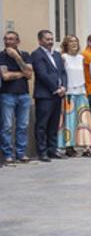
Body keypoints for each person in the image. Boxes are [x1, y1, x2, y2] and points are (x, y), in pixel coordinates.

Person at [32, 30, 67, 162]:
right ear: (40, 40)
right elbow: (42, 74)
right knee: (42, 124)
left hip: (58, 95)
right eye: (47, 39)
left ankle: (52, 149)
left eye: (52, 39)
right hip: (45, 95)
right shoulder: (36, 55)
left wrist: (64, 86)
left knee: (54, 124)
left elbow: (63, 72)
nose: (50, 42)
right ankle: (42, 152)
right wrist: (56, 88)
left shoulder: (57, 55)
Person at [58, 35, 91, 157]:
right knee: (70, 121)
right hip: (69, 93)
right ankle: (69, 146)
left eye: (75, 41)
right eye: (71, 41)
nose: (74, 43)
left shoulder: (81, 58)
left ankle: (87, 146)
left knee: (84, 120)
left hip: (81, 91)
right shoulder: (63, 57)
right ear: (66, 44)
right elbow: (61, 74)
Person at [0, 31, 33, 164]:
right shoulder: (1, 56)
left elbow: (30, 74)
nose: (8, 42)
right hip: (7, 94)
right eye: (6, 39)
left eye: (11, 39)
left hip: (24, 95)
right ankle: (8, 154)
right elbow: (5, 76)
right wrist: (22, 73)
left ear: (18, 41)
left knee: (23, 125)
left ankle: (21, 153)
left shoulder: (25, 55)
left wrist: (16, 57)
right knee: (7, 125)